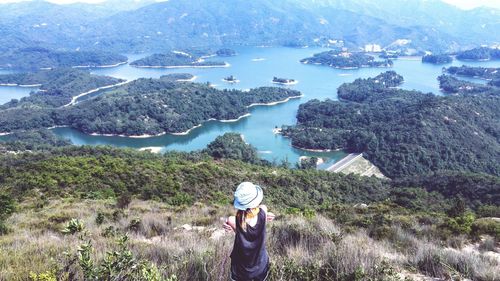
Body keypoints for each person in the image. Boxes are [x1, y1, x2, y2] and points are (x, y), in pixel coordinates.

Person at [223, 182, 275, 281]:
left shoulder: (233, 220)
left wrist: (226, 223)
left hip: (240, 271)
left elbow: (233, 222)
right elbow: (261, 209)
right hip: (260, 267)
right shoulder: (263, 211)